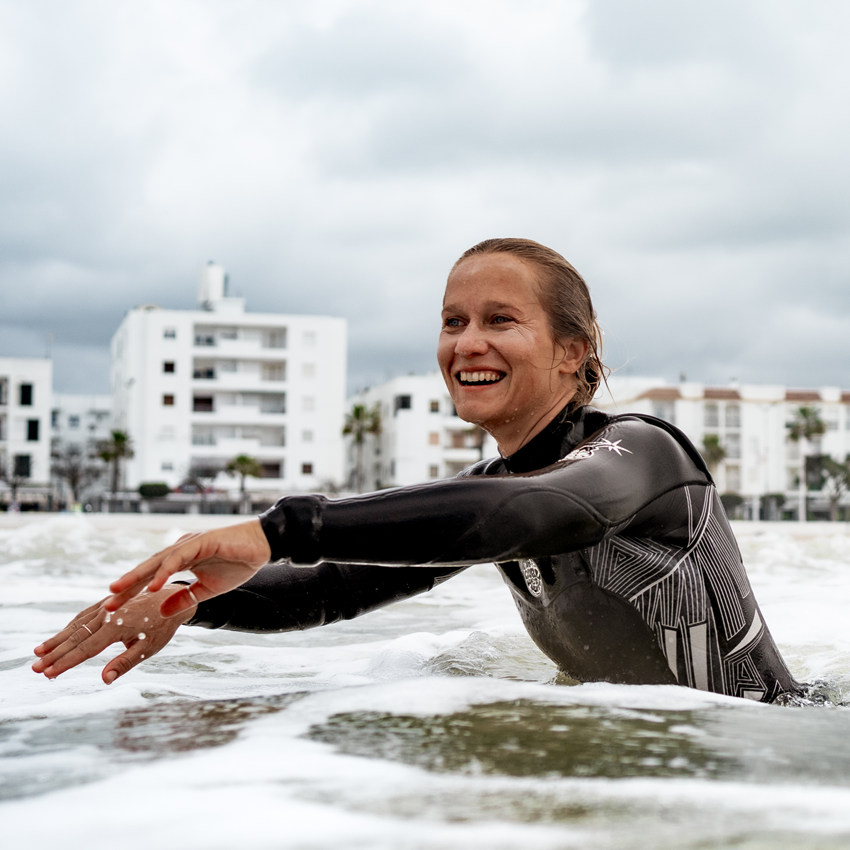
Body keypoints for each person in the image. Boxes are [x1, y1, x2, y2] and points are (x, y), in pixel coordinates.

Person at [33, 238, 802, 702]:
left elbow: (538, 512)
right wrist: (183, 604)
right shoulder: (497, 495)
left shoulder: (642, 456)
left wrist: (280, 529)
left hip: (761, 761)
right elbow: (335, 588)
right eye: (452, 322)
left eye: (501, 320)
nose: (467, 343)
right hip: (661, 771)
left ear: (573, 350)